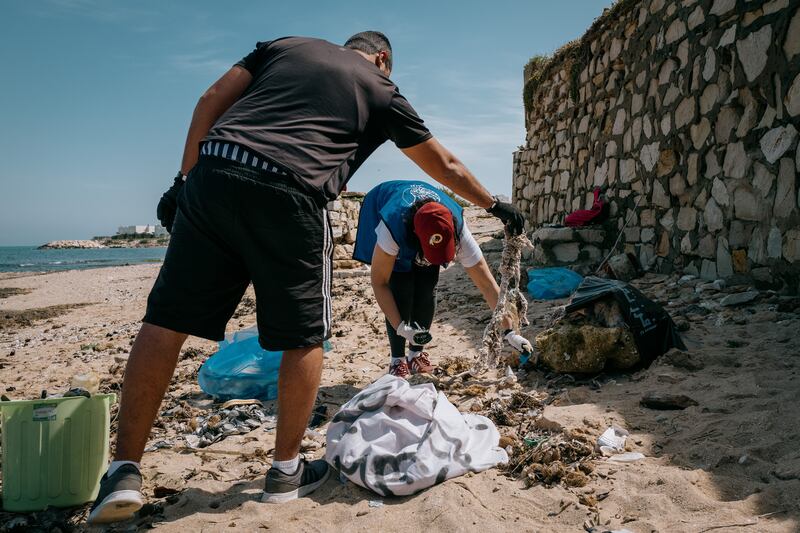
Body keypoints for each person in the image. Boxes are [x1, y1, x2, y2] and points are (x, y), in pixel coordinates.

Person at [87, 32, 525, 524]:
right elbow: (442, 163)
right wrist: (494, 204)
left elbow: (209, 100)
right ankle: (284, 472)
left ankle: (123, 470)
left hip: (214, 174)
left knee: (166, 321)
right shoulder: (381, 90)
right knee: (305, 334)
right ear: (382, 59)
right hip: (292, 190)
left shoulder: (285, 46)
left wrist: (183, 182)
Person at [353, 180, 532, 377]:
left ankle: (415, 356)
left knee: (427, 286)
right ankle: (397, 360)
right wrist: (401, 327)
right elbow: (380, 283)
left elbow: (487, 285)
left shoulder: (460, 232)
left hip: (422, 230)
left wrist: (510, 333)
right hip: (381, 206)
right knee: (401, 287)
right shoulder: (392, 228)